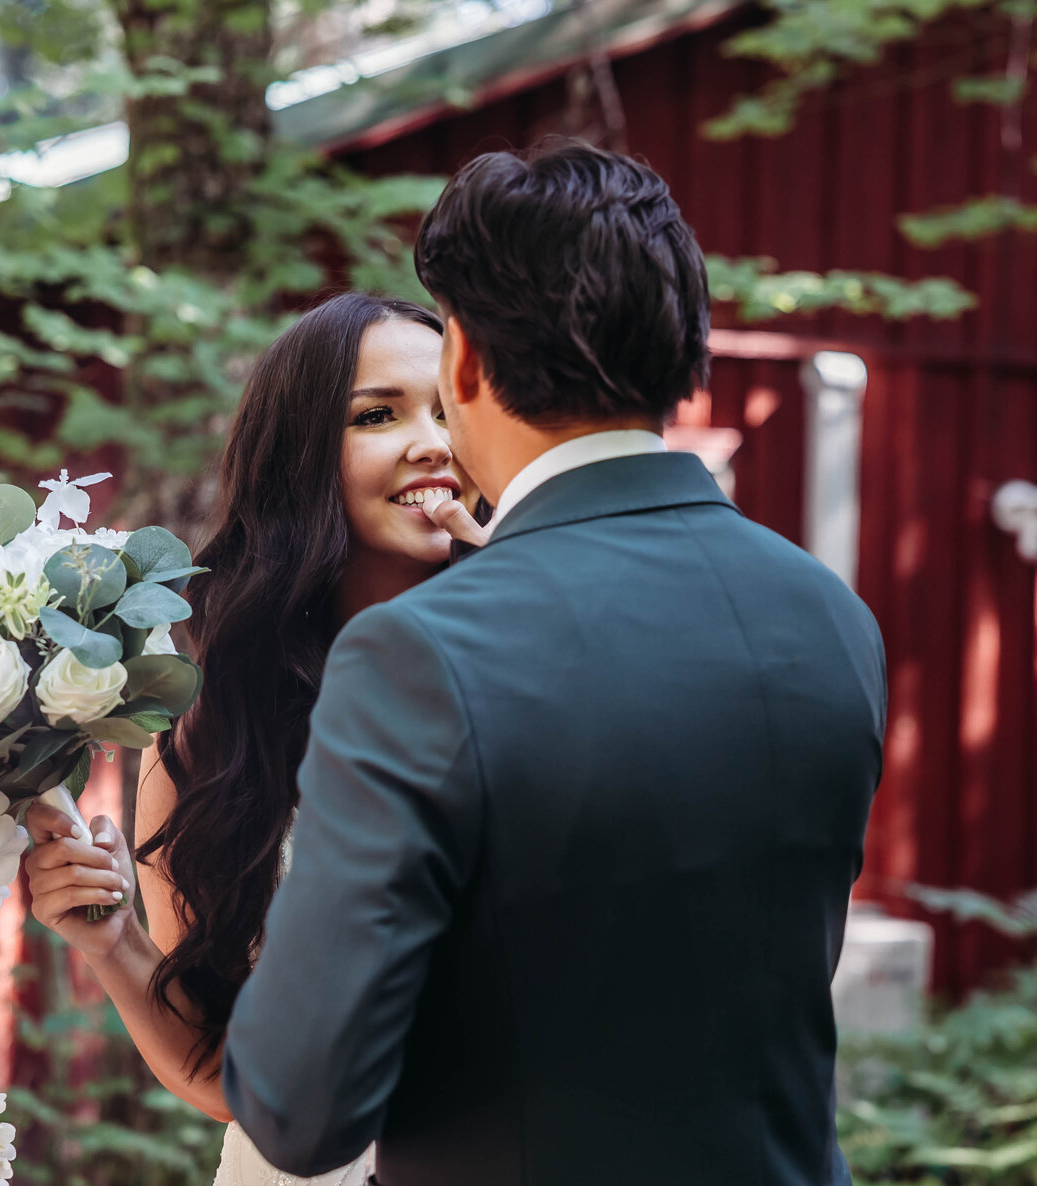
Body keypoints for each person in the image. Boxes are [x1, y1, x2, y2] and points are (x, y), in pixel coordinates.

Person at [220, 142, 888, 1186]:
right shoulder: (831, 616)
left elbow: (301, 1112)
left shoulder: (418, 656)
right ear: (683, 347)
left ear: (469, 360)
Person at [23, 292, 487, 1186]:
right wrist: (114, 944)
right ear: (302, 457)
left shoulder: (541, 675)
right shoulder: (217, 737)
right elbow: (234, 1075)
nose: (432, 443)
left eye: (450, 411)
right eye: (379, 415)